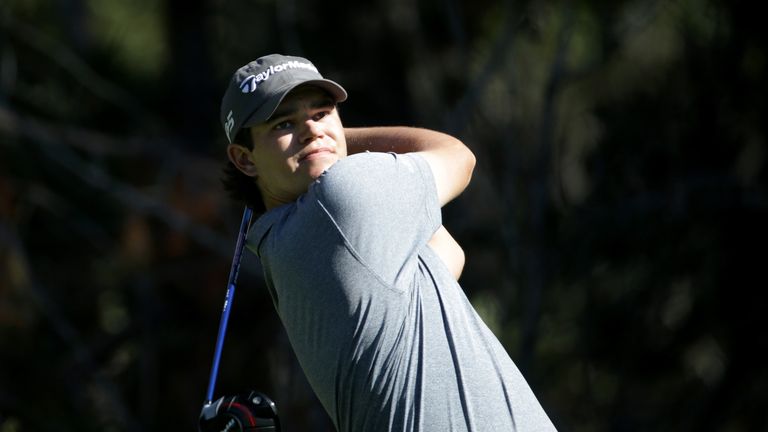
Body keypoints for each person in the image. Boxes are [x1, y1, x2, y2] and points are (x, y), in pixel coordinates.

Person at [219, 53, 556, 431]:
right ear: (244, 160)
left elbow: (447, 258)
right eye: (284, 123)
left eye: (321, 113)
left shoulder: (279, 248)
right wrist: (339, 141)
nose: (311, 130)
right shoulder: (341, 196)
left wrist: (320, 146)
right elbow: (459, 157)